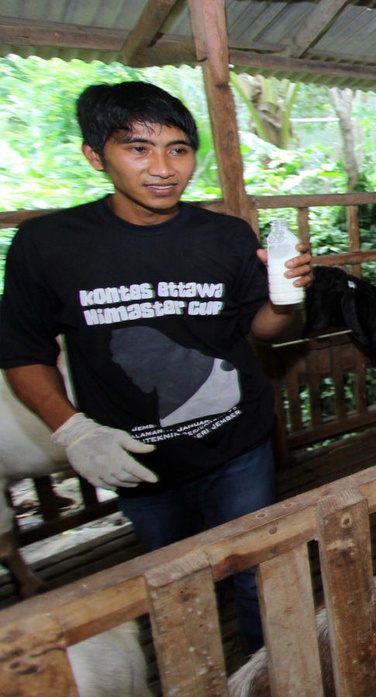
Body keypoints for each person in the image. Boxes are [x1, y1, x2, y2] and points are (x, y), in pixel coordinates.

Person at [0, 81, 313, 654]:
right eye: (138, 148)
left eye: (178, 148)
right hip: (136, 459)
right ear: (96, 155)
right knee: (176, 583)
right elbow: (23, 351)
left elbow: (260, 330)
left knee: (257, 572)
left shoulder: (223, 235)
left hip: (237, 446)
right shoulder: (46, 244)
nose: (164, 168)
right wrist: (74, 430)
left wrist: (282, 301)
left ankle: (267, 674)